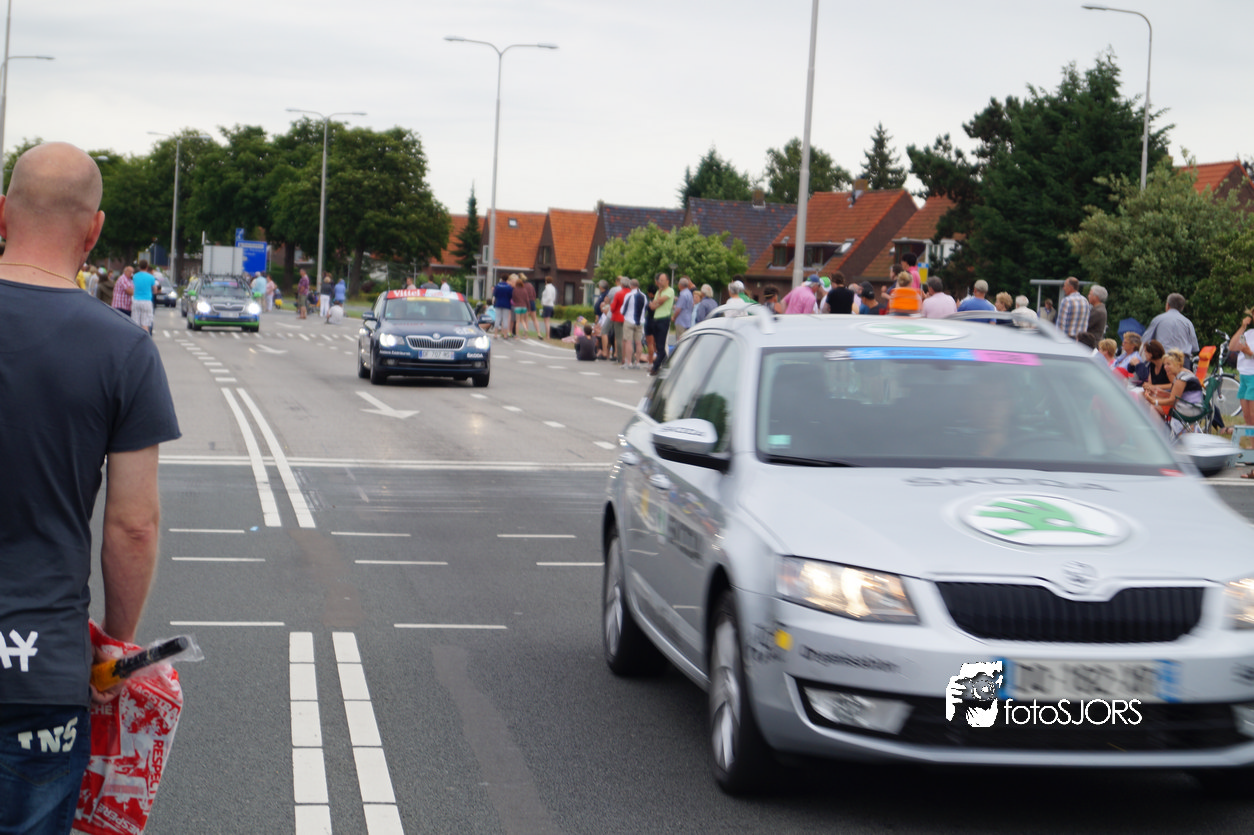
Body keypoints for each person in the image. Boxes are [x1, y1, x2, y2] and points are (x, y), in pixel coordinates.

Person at [0, 142, 181, 834]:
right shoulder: (122, 349)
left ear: (2, 215)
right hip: (38, 670)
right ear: (94, 229)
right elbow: (133, 525)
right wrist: (119, 648)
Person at [1143, 348, 1204, 420]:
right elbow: (1178, 397)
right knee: (1153, 402)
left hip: (1190, 410)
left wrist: (1154, 401)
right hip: (1193, 407)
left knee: (1152, 406)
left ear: (1178, 364)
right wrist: (1163, 393)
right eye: (1164, 364)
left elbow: (1173, 400)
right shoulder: (1184, 373)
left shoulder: (1181, 378)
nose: (1165, 367)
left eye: (1168, 364)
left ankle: (1156, 427)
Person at [1229, 312, 1254, 463]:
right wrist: (1243, 327)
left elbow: (1249, 353)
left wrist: (1249, 353)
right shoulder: (1249, 333)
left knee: (1253, 415)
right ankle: (1252, 447)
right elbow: (1232, 346)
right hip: (1244, 376)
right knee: (1247, 417)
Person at [1142, 293, 1199, 358]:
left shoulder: (1158, 319)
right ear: (1182, 308)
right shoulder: (1188, 323)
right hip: (1182, 359)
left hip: (1163, 358)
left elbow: (1145, 340)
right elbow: (1195, 348)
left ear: (1167, 305)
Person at [648, 272, 675, 376]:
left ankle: (655, 367)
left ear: (667, 281)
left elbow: (660, 300)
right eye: (659, 280)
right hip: (656, 318)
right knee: (657, 346)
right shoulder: (658, 292)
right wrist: (657, 301)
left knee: (661, 346)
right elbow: (652, 306)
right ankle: (666, 365)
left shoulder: (670, 291)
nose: (660, 282)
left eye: (662, 280)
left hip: (664, 319)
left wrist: (658, 296)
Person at [619, 278, 646, 369]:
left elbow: (623, 309)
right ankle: (637, 362)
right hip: (640, 322)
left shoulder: (629, 295)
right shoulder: (644, 296)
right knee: (638, 342)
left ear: (631, 285)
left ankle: (629, 362)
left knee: (628, 342)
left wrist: (623, 313)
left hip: (629, 320)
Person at [130, 259, 157, 336]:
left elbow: (132, 286)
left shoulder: (135, 276)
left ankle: (135, 339)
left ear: (139, 266)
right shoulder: (151, 277)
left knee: (135, 324)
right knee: (145, 324)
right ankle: (145, 340)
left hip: (136, 301)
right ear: (147, 266)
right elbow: (155, 289)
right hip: (146, 301)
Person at [492, 273, 513, 338]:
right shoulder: (509, 287)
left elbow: (494, 294)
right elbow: (511, 296)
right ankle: (505, 334)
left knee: (497, 318)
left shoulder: (497, 286)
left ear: (501, 278)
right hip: (506, 304)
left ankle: (495, 334)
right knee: (505, 319)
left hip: (498, 303)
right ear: (507, 279)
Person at [673, 276, 694, 341]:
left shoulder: (682, 295)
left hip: (681, 321)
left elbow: (678, 309)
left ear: (680, 285)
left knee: (680, 340)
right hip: (688, 321)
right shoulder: (689, 293)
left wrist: (674, 317)